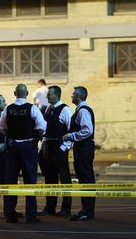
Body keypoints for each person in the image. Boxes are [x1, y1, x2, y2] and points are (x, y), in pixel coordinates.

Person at [0, 84, 46, 224]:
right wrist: (36, 135)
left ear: (14, 93)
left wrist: (10, 134)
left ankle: (9, 215)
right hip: (28, 147)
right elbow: (42, 127)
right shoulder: (32, 108)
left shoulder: (8, 108)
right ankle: (31, 216)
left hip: (12, 148)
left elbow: (0, 129)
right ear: (27, 93)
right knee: (30, 181)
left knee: (10, 181)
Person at [38, 86, 73, 218]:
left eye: (49, 94)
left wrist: (64, 148)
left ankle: (66, 208)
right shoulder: (48, 108)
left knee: (64, 178)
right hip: (47, 146)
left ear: (57, 95)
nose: (47, 97)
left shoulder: (65, 109)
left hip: (58, 147)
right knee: (49, 178)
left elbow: (71, 130)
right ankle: (50, 207)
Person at [62, 86, 96, 221]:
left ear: (79, 96)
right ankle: (86, 210)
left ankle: (87, 211)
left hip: (84, 147)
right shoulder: (81, 110)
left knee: (86, 178)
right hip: (82, 147)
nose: (71, 96)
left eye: (73, 94)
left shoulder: (83, 111)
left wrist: (71, 136)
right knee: (83, 178)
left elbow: (87, 130)